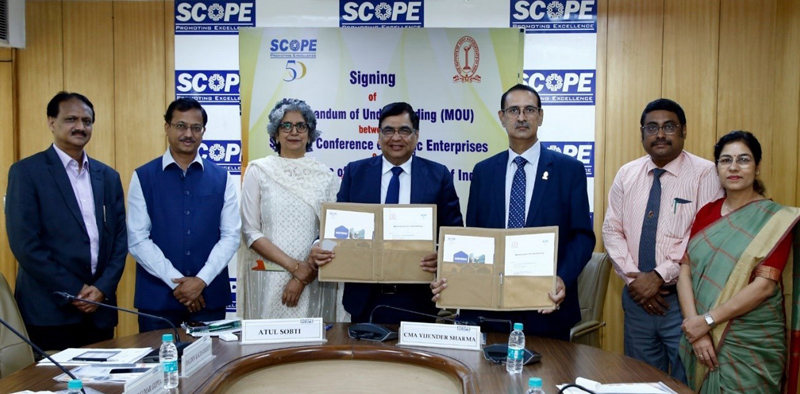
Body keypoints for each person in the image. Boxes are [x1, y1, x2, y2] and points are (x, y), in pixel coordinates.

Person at [431, 84, 595, 340]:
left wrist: (562, 277)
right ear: (502, 117)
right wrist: (454, 277)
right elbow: (473, 237)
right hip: (489, 310)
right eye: (514, 110)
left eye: (529, 110)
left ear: (540, 116)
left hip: (546, 309)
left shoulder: (568, 170)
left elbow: (583, 236)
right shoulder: (484, 172)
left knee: (546, 379)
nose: (521, 117)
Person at [601, 98, 722, 381]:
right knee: (638, 378)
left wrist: (658, 275)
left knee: (685, 378)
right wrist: (637, 281)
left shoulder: (705, 173)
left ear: (683, 131)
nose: (660, 134)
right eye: (652, 127)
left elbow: (700, 234)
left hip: (683, 301)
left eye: (669, 127)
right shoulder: (627, 173)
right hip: (637, 300)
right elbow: (611, 230)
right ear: (642, 133)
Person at [312, 102, 463, 324]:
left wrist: (440, 256)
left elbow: (453, 235)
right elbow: (338, 224)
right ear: (379, 135)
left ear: (416, 135)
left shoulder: (437, 175)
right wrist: (319, 245)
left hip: (418, 299)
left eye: (404, 130)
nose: (396, 138)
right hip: (365, 299)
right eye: (388, 130)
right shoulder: (356, 172)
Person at [677, 131, 800, 393]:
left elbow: (765, 286)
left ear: (756, 168)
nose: (733, 167)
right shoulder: (706, 212)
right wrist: (695, 328)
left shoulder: (774, 220)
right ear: (717, 168)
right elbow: (685, 270)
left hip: (750, 341)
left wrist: (707, 321)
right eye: (725, 160)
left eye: (743, 160)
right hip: (699, 332)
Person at [5, 92, 127, 350]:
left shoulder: (107, 176)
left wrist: (102, 289)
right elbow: (25, 244)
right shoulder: (27, 172)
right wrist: (74, 289)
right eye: (71, 119)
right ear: (51, 122)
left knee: (101, 388)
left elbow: (118, 240)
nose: (80, 127)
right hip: (49, 310)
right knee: (51, 387)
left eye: (87, 120)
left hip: (99, 310)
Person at [128, 98, 241, 332]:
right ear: (167, 127)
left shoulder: (222, 178)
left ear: (203, 131)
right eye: (181, 126)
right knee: (158, 366)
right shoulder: (143, 176)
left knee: (213, 368)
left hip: (209, 298)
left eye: (195, 128)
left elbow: (231, 236)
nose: (188, 133)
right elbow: (138, 239)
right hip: (158, 301)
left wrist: (201, 281)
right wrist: (177, 283)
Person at [237, 98, 346, 321]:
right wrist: (295, 267)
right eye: (286, 126)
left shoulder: (326, 177)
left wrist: (302, 276)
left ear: (309, 133)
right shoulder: (259, 171)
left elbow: (333, 233)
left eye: (301, 126)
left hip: (313, 278)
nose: (293, 132)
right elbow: (250, 231)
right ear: (275, 134)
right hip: (269, 274)